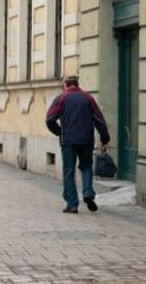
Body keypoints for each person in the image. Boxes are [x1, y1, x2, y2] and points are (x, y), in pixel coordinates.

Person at [46, 75, 111, 214]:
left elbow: (50, 119)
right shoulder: (88, 98)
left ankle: (72, 204)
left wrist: (59, 132)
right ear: (77, 84)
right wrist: (105, 138)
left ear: (66, 85)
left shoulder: (61, 99)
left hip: (68, 142)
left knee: (69, 171)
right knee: (86, 166)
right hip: (86, 140)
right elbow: (99, 120)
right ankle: (88, 192)